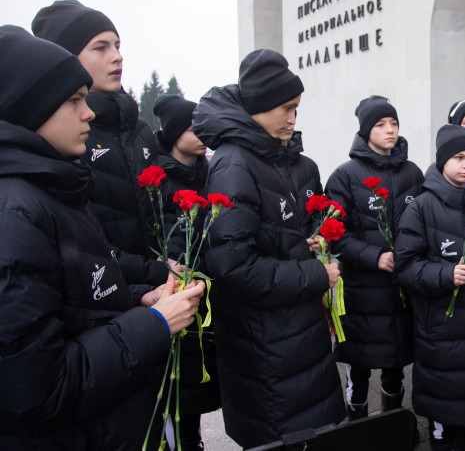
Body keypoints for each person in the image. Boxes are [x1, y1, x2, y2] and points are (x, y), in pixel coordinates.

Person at [0, 25, 205, 451]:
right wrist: (154, 324)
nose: (88, 113)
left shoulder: (55, 190)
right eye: (73, 101)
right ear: (29, 110)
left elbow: (76, 305)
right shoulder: (15, 215)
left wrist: (137, 299)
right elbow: (39, 387)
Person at [193, 49, 345, 447]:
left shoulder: (271, 156)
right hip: (267, 350)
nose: (293, 118)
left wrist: (307, 240)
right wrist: (315, 274)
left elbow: (271, 238)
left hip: (292, 338)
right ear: (259, 107)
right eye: (286, 108)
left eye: (297, 108)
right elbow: (234, 266)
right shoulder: (234, 165)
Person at [32, 0, 164, 288]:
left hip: (161, 297)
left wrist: (173, 258)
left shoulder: (140, 131)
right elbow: (78, 241)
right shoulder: (62, 137)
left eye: (117, 45)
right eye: (100, 47)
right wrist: (149, 275)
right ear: (65, 57)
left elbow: (166, 207)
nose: (117, 57)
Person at [394, 125, 465, 451]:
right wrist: (444, 274)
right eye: (458, 157)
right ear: (443, 160)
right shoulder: (421, 206)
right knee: (443, 401)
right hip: (440, 327)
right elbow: (404, 267)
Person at [324, 95, 423, 420]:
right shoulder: (345, 176)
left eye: (393, 123)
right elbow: (333, 233)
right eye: (381, 125)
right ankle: (358, 426)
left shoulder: (412, 173)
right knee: (361, 365)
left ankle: (393, 425)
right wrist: (375, 257)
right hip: (361, 291)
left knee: (395, 363)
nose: (390, 130)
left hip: (400, 292)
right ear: (366, 131)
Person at [152, 94, 219, 451]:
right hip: (174, 290)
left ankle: (193, 439)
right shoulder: (158, 181)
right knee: (179, 388)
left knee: (197, 384)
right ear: (175, 134)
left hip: (210, 289)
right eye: (192, 127)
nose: (200, 132)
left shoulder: (211, 173)